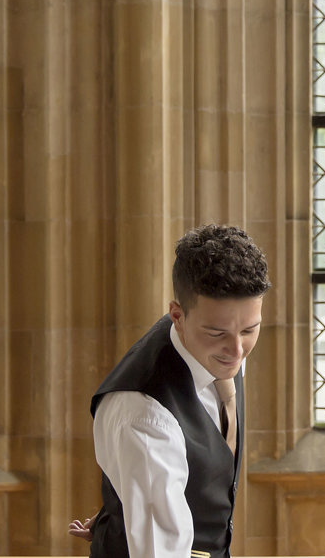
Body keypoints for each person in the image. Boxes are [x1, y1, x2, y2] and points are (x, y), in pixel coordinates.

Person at [69, 224, 268, 558]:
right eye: (217, 332)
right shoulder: (146, 417)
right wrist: (134, 503)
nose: (236, 350)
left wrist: (128, 499)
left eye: (250, 329)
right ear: (177, 315)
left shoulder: (216, 343)